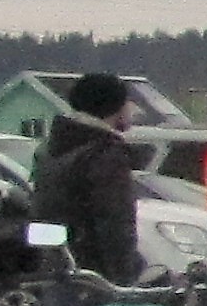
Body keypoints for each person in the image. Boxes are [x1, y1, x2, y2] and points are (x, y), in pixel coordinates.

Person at [29, 71, 142, 281]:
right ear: (113, 106)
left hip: (56, 268)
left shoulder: (51, 148)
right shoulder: (104, 152)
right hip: (95, 277)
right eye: (127, 102)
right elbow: (114, 221)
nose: (131, 109)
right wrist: (126, 278)